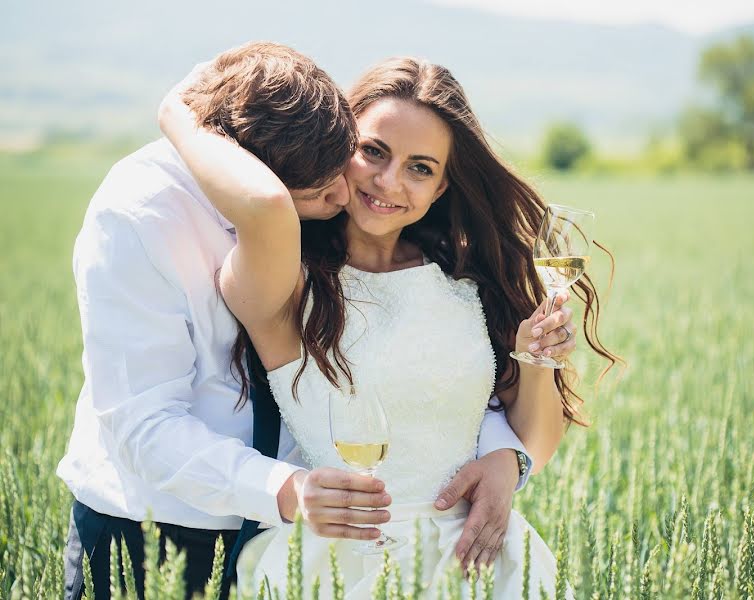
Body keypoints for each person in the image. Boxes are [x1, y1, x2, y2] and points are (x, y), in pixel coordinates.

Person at [59, 43, 535, 600]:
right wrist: (176, 111)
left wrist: (503, 456)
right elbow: (142, 424)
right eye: (317, 191)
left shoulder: (300, 155)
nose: (345, 194)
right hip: (152, 526)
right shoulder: (140, 214)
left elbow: (420, 372)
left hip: (290, 531)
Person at [159, 56, 618, 598]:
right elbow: (262, 204)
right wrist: (177, 113)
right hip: (339, 566)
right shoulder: (286, 281)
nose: (388, 181)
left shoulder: (466, 281)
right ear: (340, 146)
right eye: (372, 151)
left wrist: (536, 363)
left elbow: (533, 446)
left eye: (420, 168)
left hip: (476, 563)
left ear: (443, 187)